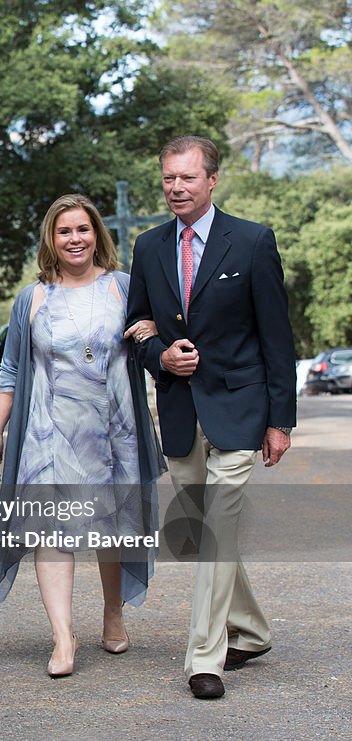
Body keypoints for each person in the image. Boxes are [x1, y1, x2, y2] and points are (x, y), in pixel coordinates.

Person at [0, 194, 165, 677]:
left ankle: (112, 613)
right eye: (64, 231)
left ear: (97, 234)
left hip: (114, 432)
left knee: (111, 525)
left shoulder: (123, 287)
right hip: (47, 433)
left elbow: (151, 345)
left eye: (83, 229)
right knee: (50, 531)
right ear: (51, 241)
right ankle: (62, 636)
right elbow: (11, 368)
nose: (75, 239)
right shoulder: (32, 299)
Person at [125, 135, 296, 699]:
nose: (176, 188)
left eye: (187, 178)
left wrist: (280, 421)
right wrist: (160, 356)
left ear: (212, 180)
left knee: (217, 526)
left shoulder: (251, 242)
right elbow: (138, 325)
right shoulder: (149, 247)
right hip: (178, 409)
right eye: (169, 178)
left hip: (241, 408)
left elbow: (276, 337)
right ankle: (250, 630)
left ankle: (205, 655)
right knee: (204, 533)